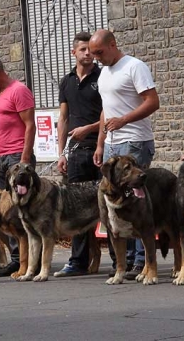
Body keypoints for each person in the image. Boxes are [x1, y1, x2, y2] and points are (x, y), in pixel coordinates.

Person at [90, 29, 160, 280]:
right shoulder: (104, 73)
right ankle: (126, 262)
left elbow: (152, 101)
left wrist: (124, 120)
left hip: (135, 141)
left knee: (138, 202)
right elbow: (105, 112)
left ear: (112, 45)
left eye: (99, 52)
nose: (96, 58)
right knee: (116, 203)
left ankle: (144, 262)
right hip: (112, 143)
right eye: (93, 53)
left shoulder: (134, 66)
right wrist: (100, 143)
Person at [0, 55, 36, 277]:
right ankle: (15, 258)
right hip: (1, 158)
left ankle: (30, 259)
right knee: (6, 211)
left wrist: (24, 159)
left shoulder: (18, 90)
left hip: (16, 157)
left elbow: (30, 125)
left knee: (23, 209)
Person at [54, 31, 103, 277]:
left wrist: (91, 130)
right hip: (76, 153)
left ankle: (120, 261)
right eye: (83, 49)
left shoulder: (103, 77)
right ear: (74, 52)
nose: (88, 53)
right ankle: (78, 262)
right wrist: (62, 152)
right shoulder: (67, 81)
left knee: (109, 205)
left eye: (90, 50)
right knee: (78, 209)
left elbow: (110, 113)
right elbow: (63, 118)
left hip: (102, 149)